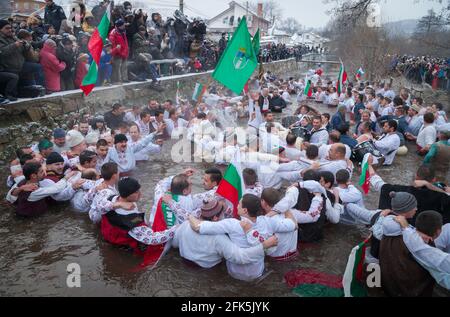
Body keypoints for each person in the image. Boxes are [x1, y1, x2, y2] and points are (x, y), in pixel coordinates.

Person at [171, 198, 278, 271]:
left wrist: (189, 216)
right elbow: (239, 257)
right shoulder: (220, 238)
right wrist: (264, 246)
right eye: (222, 213)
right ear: (215, 218)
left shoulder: (185, 225)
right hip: (206, 270)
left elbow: (175, 244)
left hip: (184, 264)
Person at [6, 162, 75, 217]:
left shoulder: (22, 180)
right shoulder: (34, 191)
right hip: (29, 219)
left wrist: (20, 188)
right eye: (41, 172)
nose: (45, 173)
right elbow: (56, 189)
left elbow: (10, 195)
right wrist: (66, 178)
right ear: (33, 176)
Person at [109, 19, 129, 83]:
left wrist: (126, 51)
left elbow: (125, 42)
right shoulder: (113, 33)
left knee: (124, 66)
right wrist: (118, 52)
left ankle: (125, 79)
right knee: (117, 68)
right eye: (123, 25)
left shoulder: (123, 32)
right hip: (118, 54)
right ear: (119, 26)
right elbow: (113, 45)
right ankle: (118, 80)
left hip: (124, 52)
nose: (124, 26)